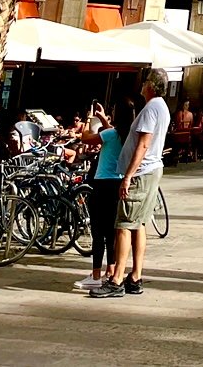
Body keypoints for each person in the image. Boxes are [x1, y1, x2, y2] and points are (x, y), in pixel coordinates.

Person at [93, 69, 171, 298]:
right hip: (152, 170)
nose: (142, 83)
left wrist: (128, 176)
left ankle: (117, 279)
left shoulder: (150, 108)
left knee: (124, 224)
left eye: (146, 80)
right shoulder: (161, 107)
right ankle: (135, 276)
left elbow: (143, 144)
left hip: (142, 172)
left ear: (151, 85)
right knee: (139, 224)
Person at [75, 98, 135, 294]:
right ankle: (110, 270)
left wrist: (89, 119)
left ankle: (95, 275)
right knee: (112, 232)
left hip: (102, 184)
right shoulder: (127, 135)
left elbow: (85, 138)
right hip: (117, 183)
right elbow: (110, 133)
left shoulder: (109, 134)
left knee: (97, 231)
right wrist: (102, 118)